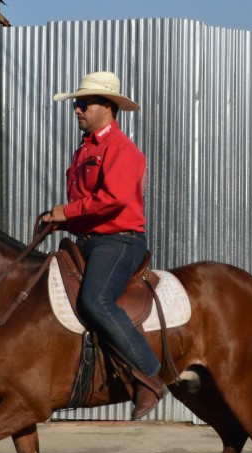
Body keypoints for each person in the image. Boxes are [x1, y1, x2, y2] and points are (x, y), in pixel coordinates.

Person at [43, 70, 166, 419]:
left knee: (95, 300)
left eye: (84, 103)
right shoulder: (84, 150)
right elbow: (87, 202)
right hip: (88, 240)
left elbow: (111, 199)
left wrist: (66, 211)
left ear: (107, 107)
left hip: (119, 241)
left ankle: (149, 376)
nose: (77, 110)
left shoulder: (122, 149)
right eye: (77, 104)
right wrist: (60, 220)